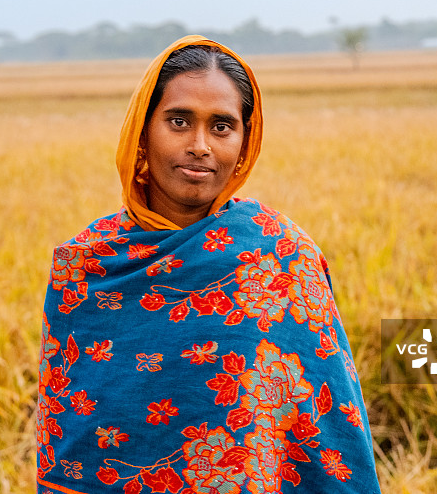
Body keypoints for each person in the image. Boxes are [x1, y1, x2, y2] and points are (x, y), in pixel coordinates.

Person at [37, 35, 381, 493]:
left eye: (222, 126)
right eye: (178, 121)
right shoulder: (86, 265)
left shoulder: (279, 256)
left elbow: (326, 424)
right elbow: (71, 438)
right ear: (143, 130)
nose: (200, 145)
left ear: (244, 141)